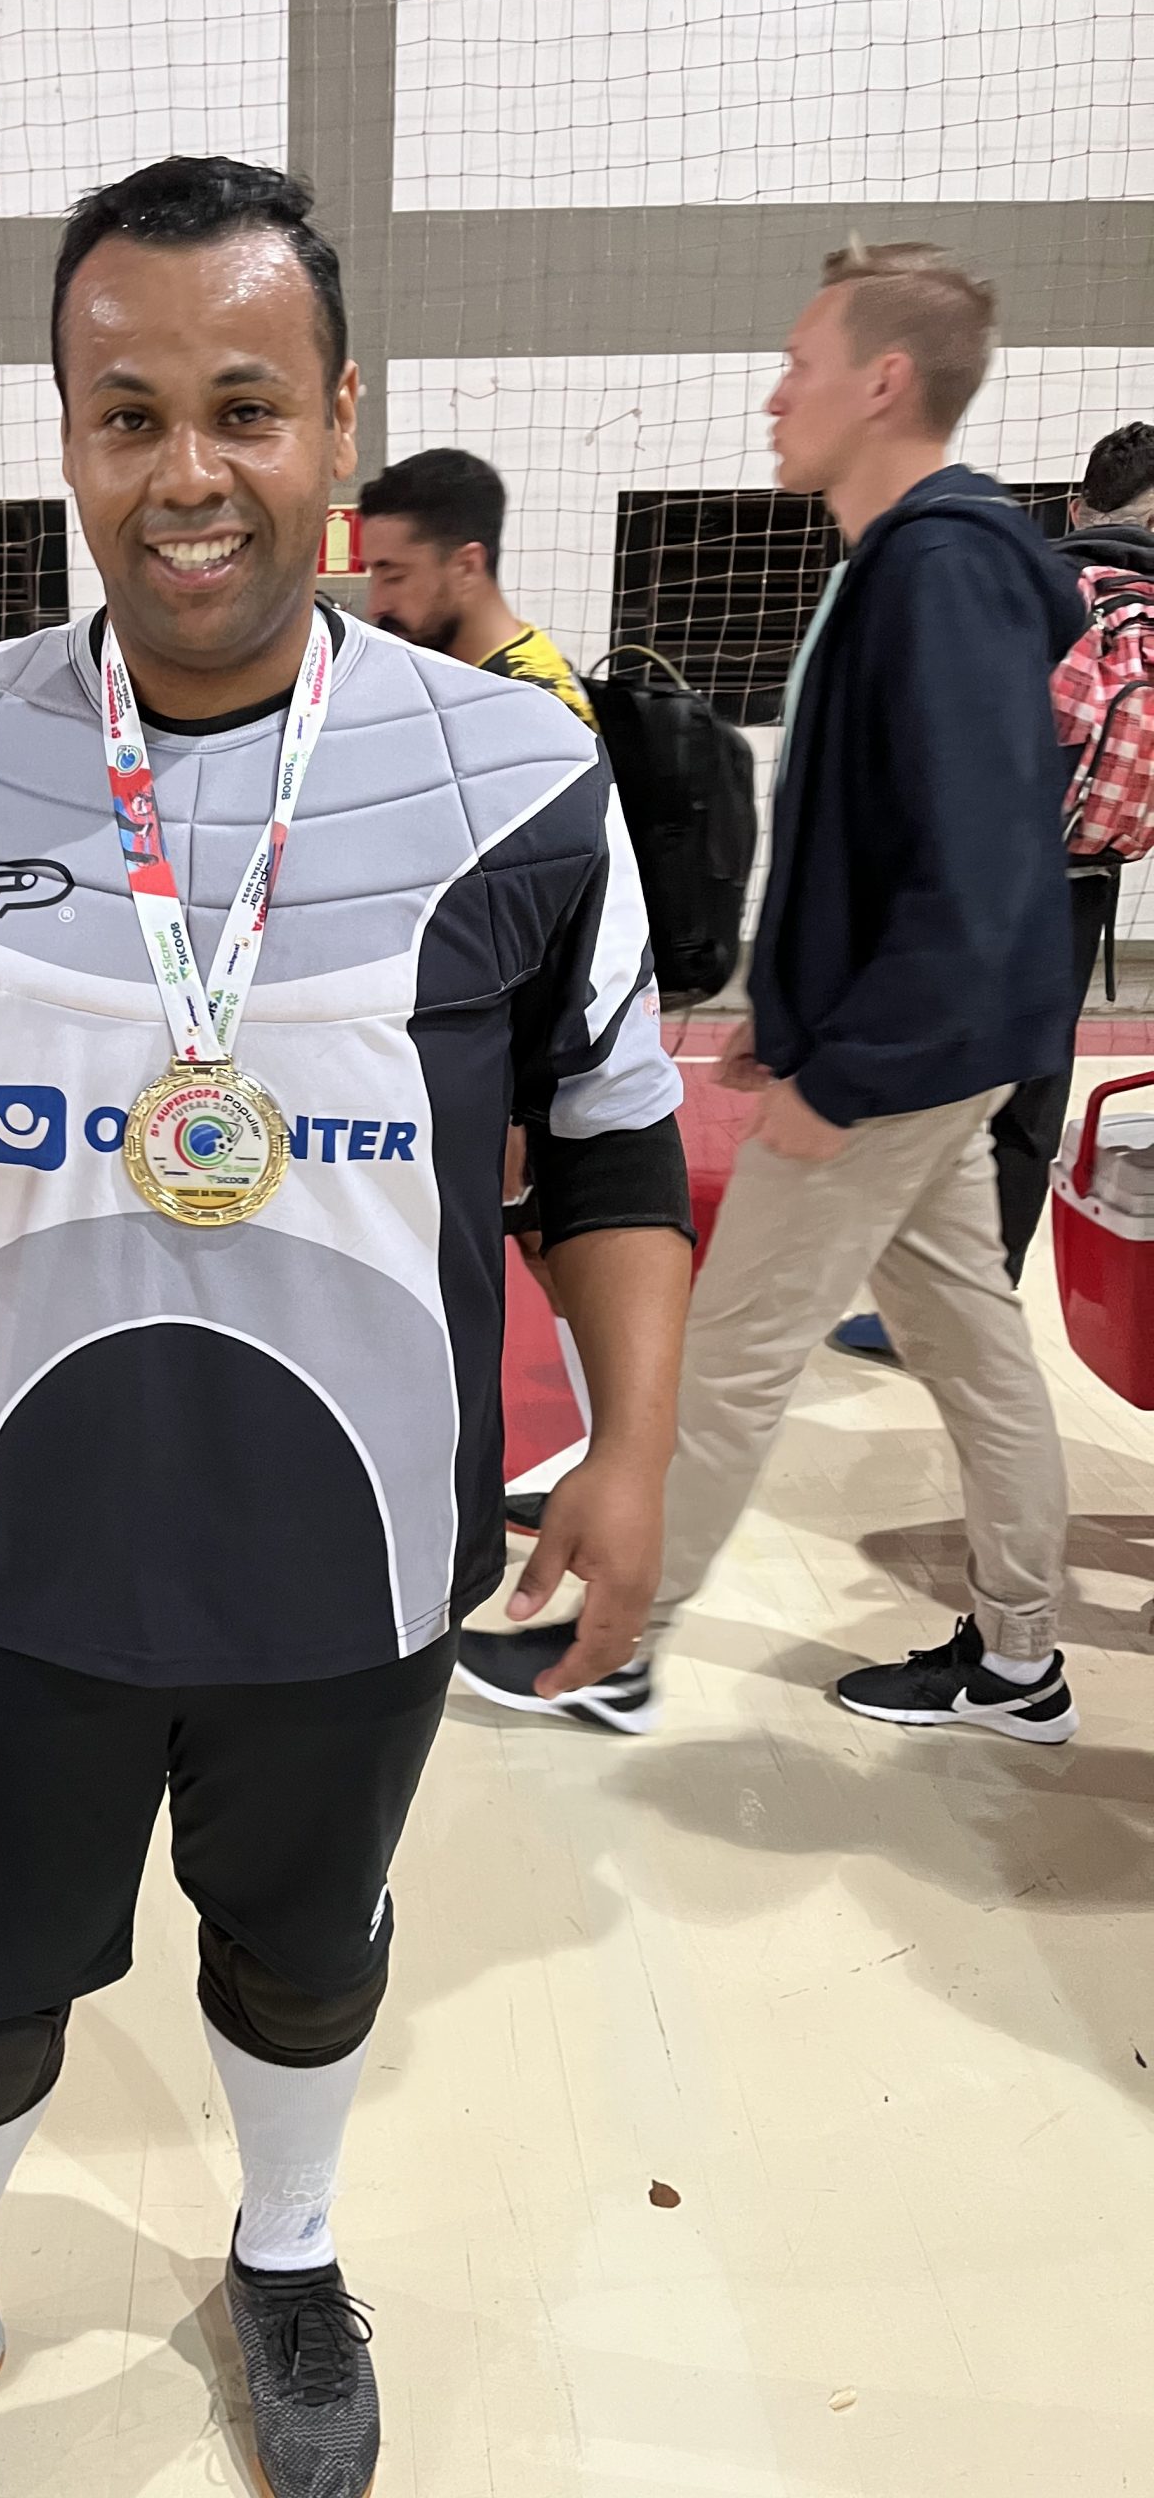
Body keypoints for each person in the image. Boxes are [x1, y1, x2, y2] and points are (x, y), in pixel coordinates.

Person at [0, 156, 693, 2495]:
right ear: (68, 433)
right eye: (127, 412)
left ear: (339, 420)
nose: (186, 472)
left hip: (353, 1571)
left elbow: (615, 1141)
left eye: (242, 407)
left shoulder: (518, 771)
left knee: (309, 1957)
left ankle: (288, 2251)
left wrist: (636, 1448)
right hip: (7, 1564)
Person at [459, 239, 1087, 1744]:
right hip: (927, 1050)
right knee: (976, 1352)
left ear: (884, 382)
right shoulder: (909, 565)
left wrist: (844, 1066)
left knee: (724, 1358)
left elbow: (977, 867)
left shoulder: (940, 571)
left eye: (800, 365)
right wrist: (788, 1012)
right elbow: (890, 837)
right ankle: (1021, 1662)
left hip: (905, 1063)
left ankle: (612, 1650)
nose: (772, 395)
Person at [829, 416, 1154, 1369]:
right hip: (1084, 887)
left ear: (1076, 507)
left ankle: (916, 1314)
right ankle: (979, 1318)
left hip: (976, 881)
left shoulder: (1032, 582)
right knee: (1028, 1111)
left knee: (929, 1098)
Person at [361, 445, 601, 1526]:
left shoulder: (534, 704)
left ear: (466, 563)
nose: (377, 599)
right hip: (465, 1047)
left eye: (395, 574)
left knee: (553, 1238)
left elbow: (551, 922)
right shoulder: (456, 687)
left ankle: (610, 1447)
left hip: (524, 1052)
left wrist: (512, 1101)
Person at [359, 445, 596, 724]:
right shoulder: (480, 677)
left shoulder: (531, 711)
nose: (375, 606)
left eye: (394, 576)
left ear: (467, 566)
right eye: (373, 574)